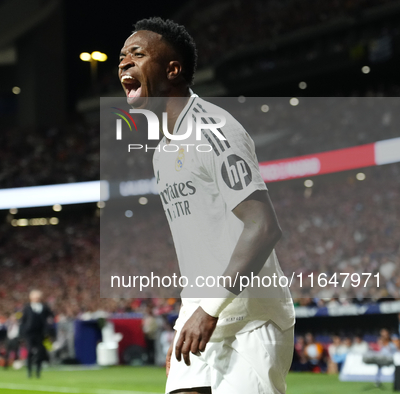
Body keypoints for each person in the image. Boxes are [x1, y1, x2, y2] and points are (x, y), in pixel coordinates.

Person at [118, 17, 295, 393]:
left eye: (137, 54)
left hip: (252, 320)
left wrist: (209, 309)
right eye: (121, 57)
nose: (124, 63)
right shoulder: (162, 152)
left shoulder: (215, 129)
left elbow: (263, 227)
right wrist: (188, 317)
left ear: (173, 69)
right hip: (202, 313)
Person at [20, 290, 54, 378]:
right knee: (30, 351)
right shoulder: (27, 308)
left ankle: (38, 372)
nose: (36, 299)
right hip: (29, 333)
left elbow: (50, 317)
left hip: (40, 333)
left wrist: (47, 331)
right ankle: (29, 371)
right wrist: (21, 335)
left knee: (40, 352)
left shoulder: (44, 307)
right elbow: (23, 321)